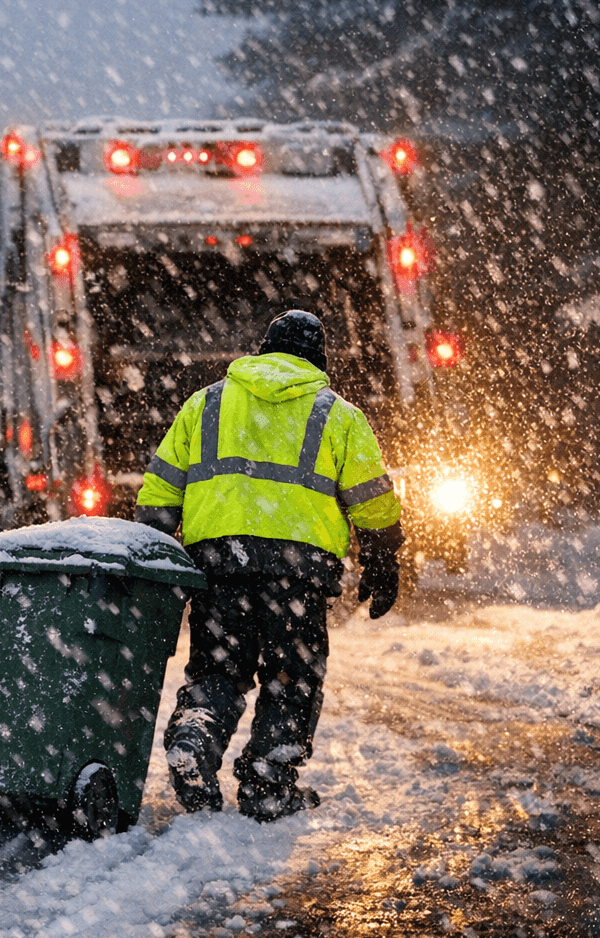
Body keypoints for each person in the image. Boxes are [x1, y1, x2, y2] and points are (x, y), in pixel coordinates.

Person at [134, 309, 403, 822]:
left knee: (219, 667)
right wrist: (383, 557)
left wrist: (151, 548)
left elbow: (162, 487)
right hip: (297, 574)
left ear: (263, 349)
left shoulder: (206, 404)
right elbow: (372, 501)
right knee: (292, 675)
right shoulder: (338, 415)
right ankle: (267, 782)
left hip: (218, 566)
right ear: (318, 359)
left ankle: (195, 735)